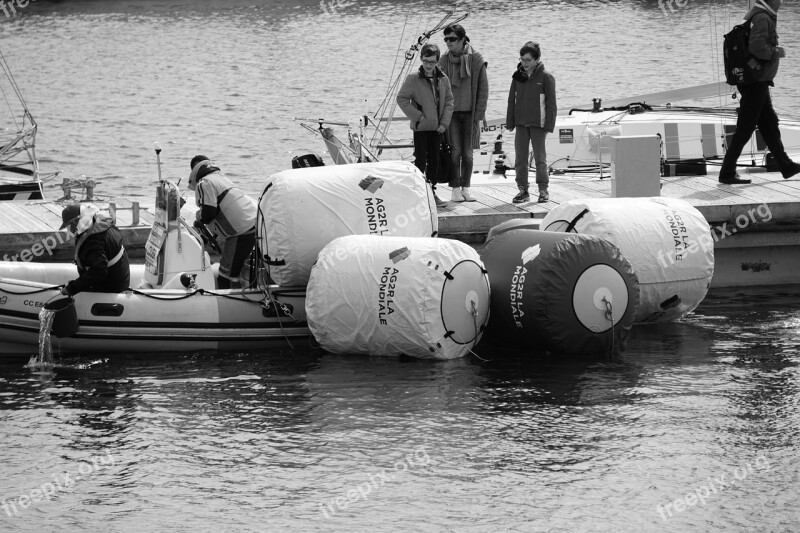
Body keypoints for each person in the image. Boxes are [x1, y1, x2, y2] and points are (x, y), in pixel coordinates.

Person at [718, 0, 800, 184]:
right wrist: (776, 51)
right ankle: (727, 173)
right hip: (755, 82)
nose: (781, 2)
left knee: (769, 123)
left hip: (758, 81)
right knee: (746, 128)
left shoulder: (761, 16)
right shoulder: (763, 17)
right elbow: (757, 47)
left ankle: (786, 166)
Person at [397, 43, 454, 208]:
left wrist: (444, 123)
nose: (429, 65)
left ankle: (432, 192)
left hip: (437, 128)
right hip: (421, 127)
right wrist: (418, 116)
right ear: (421, 59)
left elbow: (449, 101)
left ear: (437, 61)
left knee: (435, 161)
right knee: (420, 160)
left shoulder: (443, 78)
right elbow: (401, 99)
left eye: (432, 62)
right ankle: (417, 193)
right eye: (426, 61)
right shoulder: (413, 78)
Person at [188, 155, 257, 289]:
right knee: (243, 268)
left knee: (226, 274)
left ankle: (229, 304)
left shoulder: (204, 183)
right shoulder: (221, 178)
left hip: (240, 232)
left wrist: (199, 217)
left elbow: (208, 214)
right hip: (252, 225)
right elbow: (224, 208)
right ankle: (249, 292)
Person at [438, 24, 489, 203]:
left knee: (468, 153)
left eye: (452, 39)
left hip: (470, 113)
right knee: (455, 151)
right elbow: (438, 88)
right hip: (451, 115)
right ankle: (454, 189)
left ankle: (466, 188)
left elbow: (483, 89)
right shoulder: (443, 60)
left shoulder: (476, 58)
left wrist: (479, 115)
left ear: (462, 39)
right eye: (446, 39)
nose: (448, 43)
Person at [506, 41, 557, 204]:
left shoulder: (546, 77)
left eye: (527, 60)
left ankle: (543, 190)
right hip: (521, 124)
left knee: (540, 159)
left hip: (538, 125)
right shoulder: (517, 76)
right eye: (522, 59)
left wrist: (549, 125)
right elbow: (511, 100)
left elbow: (551, 104)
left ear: (536, 60)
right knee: (520, 159)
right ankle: (523, 190)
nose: (524, 63)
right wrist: (510, 122)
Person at [59, 203, 130, 296]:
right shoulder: (98, 224)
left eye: (70, 225)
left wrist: (72, 288)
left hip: (112, 287)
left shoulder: (93, 242)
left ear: (80, 220)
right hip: (120, 278)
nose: (70, 230)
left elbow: (99, 271)